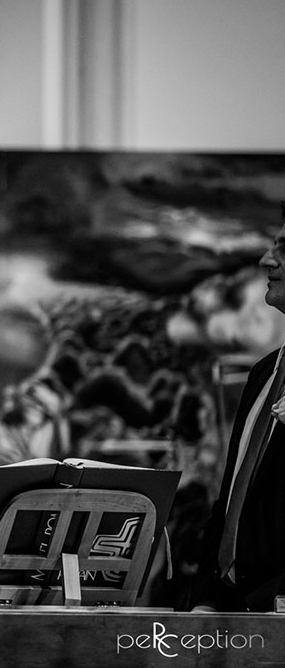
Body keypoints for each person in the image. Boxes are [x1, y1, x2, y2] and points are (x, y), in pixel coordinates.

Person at [190, 205, 285, 612]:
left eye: (284, 248)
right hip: (232, 616)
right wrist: (206, 599)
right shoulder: (265, 373)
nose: (267, 259)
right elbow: (231, 497)